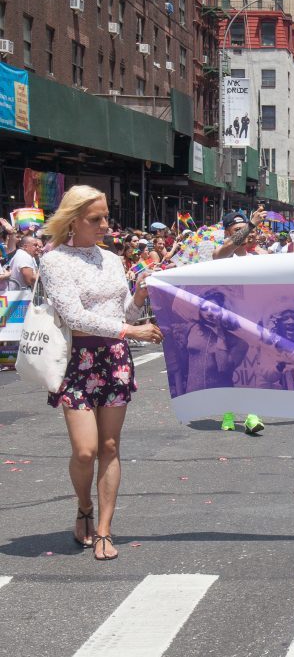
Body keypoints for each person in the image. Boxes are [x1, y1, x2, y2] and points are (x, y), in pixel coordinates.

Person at [39, 185, 163, 561]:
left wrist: (139, 296)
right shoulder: (54, 260)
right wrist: (132, 330)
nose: (106, 225)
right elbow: (75, 317)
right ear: (73, 220)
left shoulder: (111, 259)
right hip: (76, 361)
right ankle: (84, 507)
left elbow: (122, 312)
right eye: (97, 219)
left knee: (109, 446)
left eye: (107, 217)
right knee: (85, 450)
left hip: (113, 359)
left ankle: (106, 529)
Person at [213, 209, 268, 434]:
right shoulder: (222, 255)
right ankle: (227, 413)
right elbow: (223, 252)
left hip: (254, 321)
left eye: (245, 229)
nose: (245, 234)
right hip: (226, 322)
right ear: (227, 232)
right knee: (228, 368)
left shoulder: (260, 257)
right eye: (237, 230)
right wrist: (250, 226)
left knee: (253, 367)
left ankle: (252, 416)